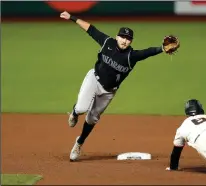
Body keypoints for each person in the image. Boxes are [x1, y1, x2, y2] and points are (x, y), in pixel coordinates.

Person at [59, 11, 180, 161]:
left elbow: (147, 52)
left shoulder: (131, 56)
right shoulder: (107, 42)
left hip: (109, 91)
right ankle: (75, 113)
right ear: (117, 36)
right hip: (93, 79)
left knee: (92, 119)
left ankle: (79, 143)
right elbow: (90, 29)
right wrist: (72, 17)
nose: (124, 41)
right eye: (122, 37)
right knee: (82, 108)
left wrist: (161, 49)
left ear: (131, 41)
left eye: (128, 39)